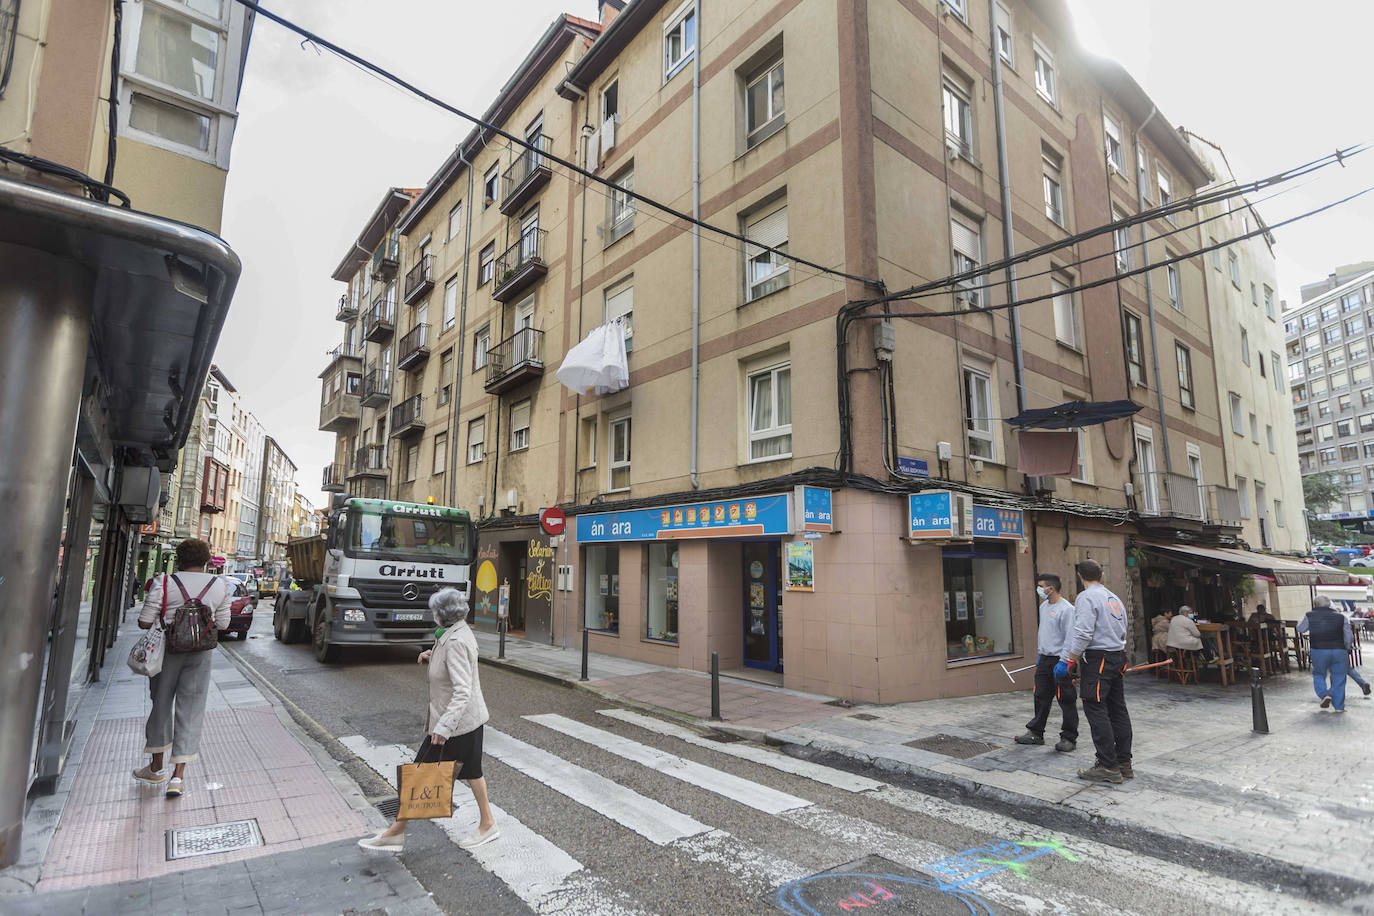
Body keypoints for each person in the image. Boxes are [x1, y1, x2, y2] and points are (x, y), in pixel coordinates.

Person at [359, 588, 498, 851]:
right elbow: (457, 665)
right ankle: (488, 823)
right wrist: (432, 655)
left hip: (456, 724)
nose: (433, 615)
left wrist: (443, 728)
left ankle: (395, 833)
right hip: (466, 721)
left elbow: (462, 689)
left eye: (435, 611)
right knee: (472, 772)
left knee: (420, 774)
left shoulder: (456, 641)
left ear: (443, 614)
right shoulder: (456, 633)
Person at [132, 538, 233, 798]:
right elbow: (222, 624)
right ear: (207, 560)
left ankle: (155, 768)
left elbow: (144, 622)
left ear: (179, 559)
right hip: (201, 654)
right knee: (191, 708)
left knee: (161, 704)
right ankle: (177, 777)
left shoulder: (163, 582)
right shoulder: (219, 584)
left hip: (166, 651)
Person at [1062, 558, 1132, 784]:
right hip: (1116, 655)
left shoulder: (1086, 597)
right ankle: (1124, 762)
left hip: (1099, 658)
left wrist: (1071, 660)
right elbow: (1124, 628)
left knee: (1095, 707)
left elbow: (1083, 632)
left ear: (1080, 576)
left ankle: (1107, 765)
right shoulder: (1114, 598)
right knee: (1117, 709)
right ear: (1101, 575)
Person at [1016, 574, 1079, 752]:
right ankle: (1036, 733)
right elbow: (1044, 633)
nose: (1038, 589)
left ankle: (1069, 738)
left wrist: (1065, 662)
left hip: (1061, 660)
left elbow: (1070, 637)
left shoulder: (1067, 609)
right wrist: (1040, 654)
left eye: (1040, 586)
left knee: (1066, 699)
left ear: (1050, 588)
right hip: (1045, 658)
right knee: (1041, 696)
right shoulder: (1044, 607)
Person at [1297, 596, 1354, 711]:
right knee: (1339, 676)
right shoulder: (1341, 617)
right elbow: (1348, 635)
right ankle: (1339, 706)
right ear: (1329, 605)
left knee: (1319, 674)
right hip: (1339, 650)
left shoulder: (1310, 615)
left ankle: (1324, 694)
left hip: (1319, 649)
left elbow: (1301, 629)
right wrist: (1347, 647)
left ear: (1316, 604)